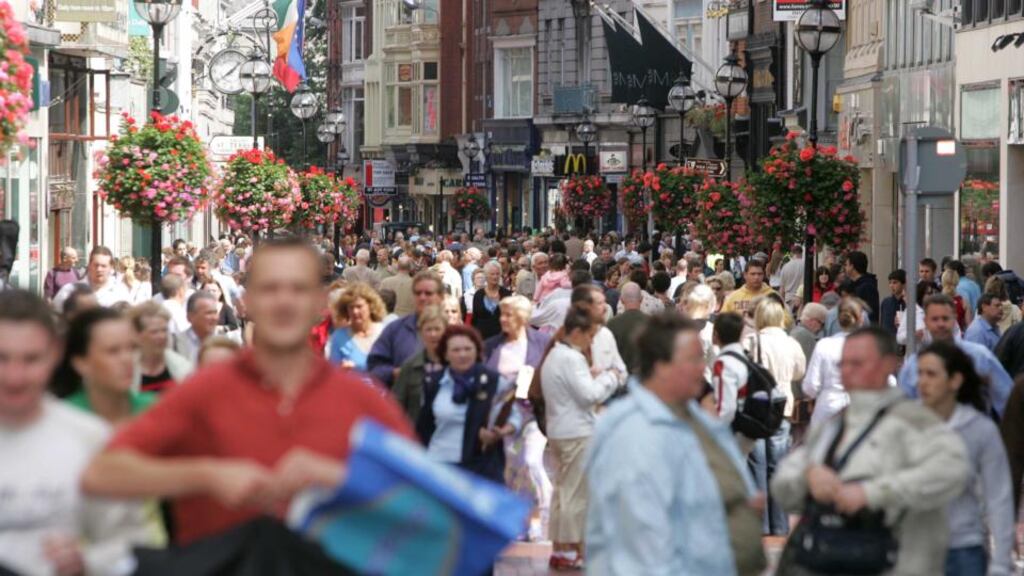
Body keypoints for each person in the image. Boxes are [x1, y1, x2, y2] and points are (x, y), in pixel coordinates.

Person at [81, 237, 415, 546]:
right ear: (246, 301)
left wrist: (337, 478)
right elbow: (101, 472)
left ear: (319, 303)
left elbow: (423, 499)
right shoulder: (204, 391)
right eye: (270, 289)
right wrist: (205, 475)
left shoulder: (360, 400)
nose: (284, 302)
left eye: (297, 289)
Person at [772, 327, 968, 576]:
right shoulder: (832, 427)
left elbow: (951, 471)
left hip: (897, 561)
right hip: (830, 557)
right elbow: (783, 482)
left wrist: (871, 493)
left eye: (858, 363)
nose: (847, 371)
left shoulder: (916, 421)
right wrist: (809, 476)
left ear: (887, 365)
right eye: (843, 364)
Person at [586, 312, 765, 575]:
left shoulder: (695, 418)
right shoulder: (633, 432)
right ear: (661, 365)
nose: (701, 368)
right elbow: (641, 539)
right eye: (692, 360)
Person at [0, 290, 158, 575]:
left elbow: (130, 539)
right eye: (2, 358)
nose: (15, 376)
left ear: (55, 355)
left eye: (31, 359)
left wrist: (87, 560)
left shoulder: (89, 438)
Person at [916, 341, 1014, 576]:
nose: (922, 382)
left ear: (955, 380)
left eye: (931, 374)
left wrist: (1001, 561)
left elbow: (998, 497)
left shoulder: (980, 429)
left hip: (963, 548)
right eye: (919, 373)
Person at [541, 307, 624, 570]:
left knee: (563, 492)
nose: (591, 341)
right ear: (576, 332)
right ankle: (570, 549)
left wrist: (594, 377)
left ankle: (561, 548)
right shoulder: (571, 358)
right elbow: (589, 396)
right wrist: (610, 378)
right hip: (576, 432)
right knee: (575, 495)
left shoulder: (555, 354)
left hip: (559, 430)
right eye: (589, 335)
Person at [483, 295, 552, 540]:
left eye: (508, 314)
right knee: (511, 469)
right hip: (500, 416)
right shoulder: (491, 345)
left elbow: (551, 375)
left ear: (522, 317)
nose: (503, 319)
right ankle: (518, 520)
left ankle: (539, 513)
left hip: (532, 414)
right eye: (501, 314)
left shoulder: (542, 342)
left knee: (531, 462)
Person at [417, 323, 517, 487]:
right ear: (446, 354)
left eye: (468, 349)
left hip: (480, 468)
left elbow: (515, 416)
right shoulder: (434, 382)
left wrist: (500, 432)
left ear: (477, 351)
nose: (462, 354)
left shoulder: (493, 381)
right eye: (456, 350)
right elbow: (424, 425)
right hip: (440, 464)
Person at [744, 297, 805, 535]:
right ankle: (780, 524)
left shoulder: (752, 342)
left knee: (757, 464)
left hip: (758, 408)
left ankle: (761, 523)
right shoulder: (791, 343)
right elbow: (800, 372)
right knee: (778, 464)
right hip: (783, 407)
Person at [898, 294, 1013, 418]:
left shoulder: (979, 356)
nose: (940, 324)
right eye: (935, 319)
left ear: (955, 319)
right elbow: (903, 411)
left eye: (945, 318)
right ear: (926, 322)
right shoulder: (913, 365)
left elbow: (1006, 399)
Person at [64, 307, 159, 425]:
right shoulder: (64, 419)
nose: (127, 359)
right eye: (113, 351)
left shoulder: (155, 410)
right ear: (81, 363)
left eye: (132, 348)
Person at [367, 270, 445, 387]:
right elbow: (374, 367)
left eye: (428, 293)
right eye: (418, 293)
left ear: (441, 297)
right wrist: (394, 373)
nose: (422, 298)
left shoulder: (453, 331)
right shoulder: (395, 330)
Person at [803, 298, 867, 426]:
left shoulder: (824, 345)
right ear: (861, 320)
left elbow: (810, 386)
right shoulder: (870, 348)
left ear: (838, 320)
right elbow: (889, 382)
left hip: (828, 407)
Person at [392, 306, 447, 422]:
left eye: (437, 329)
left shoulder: (456, 365)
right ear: (421, 333)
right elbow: (396, 406)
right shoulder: (410, 367)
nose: (433, 334)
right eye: (428, 329)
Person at [128, 302, 193, 394]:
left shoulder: (183, 368)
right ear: (137, 335)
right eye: (154, 332)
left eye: (164, 330)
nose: (162, 336)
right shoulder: (125, 370)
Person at [328, 283, 386, 371]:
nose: (355, 311)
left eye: (359, 306)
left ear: (370, 306)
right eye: (351, 307)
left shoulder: (384, 332)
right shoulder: (339, 337)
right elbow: (333, 372)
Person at [52, 246, 130, 310]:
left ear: (111, 267)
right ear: (89, 265)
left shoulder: (120, 292)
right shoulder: (70, 291)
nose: (99, 269)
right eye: (96, 265)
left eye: (103, 266)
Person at [605, 282, 645, 375]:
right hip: (645, 380)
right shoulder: (653, 323)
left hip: (620, 377)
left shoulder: (612, 324)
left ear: (621, 300)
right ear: (641, 299)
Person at [171, 291, 220, 365]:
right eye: (208, 313)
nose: (214, 318)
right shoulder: (175, 344)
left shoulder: (224, 344)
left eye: (215, 313)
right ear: (190, 317)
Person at [471, 261, 512, 341]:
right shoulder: (478, 295)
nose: (495, 277)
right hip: (482, 338)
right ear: (486, 275)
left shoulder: (506, 294)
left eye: (497, 274)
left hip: (501, 337)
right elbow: (474, 319)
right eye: (492, 274)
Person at [844, 251, 879, 324]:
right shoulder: (851, 285)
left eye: (846, 265)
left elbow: (871, 312)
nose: (845, 268)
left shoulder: (868, 286)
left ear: (852, 266)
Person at [789, 302, 827, 366]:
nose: (821, 329)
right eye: (822, 324)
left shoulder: (794, 331)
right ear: (813, 321)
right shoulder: (807, 338)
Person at [879, 269, 906, 337]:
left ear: (903, 284)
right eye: (890, 283)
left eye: (895, 282)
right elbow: (882, 322)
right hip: (887, 339)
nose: (891, 285)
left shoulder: (907, 303)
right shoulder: (886, 302)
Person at [779, 244, 805, 309]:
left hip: (789, 299)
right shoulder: (806, 265)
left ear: (791, 253)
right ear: (801, 253)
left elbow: (782, 289)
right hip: (803, 298)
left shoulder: (785, 267)